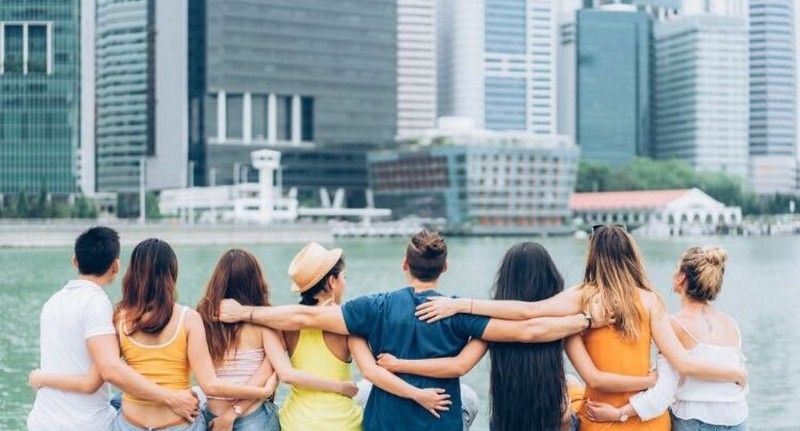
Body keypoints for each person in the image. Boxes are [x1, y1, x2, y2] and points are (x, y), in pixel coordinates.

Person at [218, 231, 596, 431]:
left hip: (384, 422)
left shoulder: (375, 308)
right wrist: (585, 321)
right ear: (444, 267)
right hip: (440, 421)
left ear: (404, 264)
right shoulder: (459, 313)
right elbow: (528, 330)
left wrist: (246, 312)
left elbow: (304, 318)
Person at [416, 225, 747, 431]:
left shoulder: (583, 296)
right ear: (631, 255)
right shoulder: (651, 300)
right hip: (650, 421)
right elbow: (680, 364)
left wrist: (463, 304)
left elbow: (528, 313)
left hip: (600, 419)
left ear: (595, 256)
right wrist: (733, 373)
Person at [373, 242, 595, 431]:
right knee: (573, 383)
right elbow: (590, 376)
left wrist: (398, 364)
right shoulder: (564, 320)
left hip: (506, 420)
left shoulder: (494, 326)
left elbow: (459, 365)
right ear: (551, 278)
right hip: (554, 419)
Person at [27, 227, 198, 431]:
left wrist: (41, 378)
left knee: (121, 400)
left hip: (42, 419)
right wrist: (172, 398)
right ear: (116, 266)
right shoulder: (96, 303)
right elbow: (103, 375)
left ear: (75, 261)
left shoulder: (52, 303)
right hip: (85, 423)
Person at [113, 238, 275, 430]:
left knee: (115, 401)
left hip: (130, 424)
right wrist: (261, 391)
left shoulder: (119, 318)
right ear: (171, 274)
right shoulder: (188, 318)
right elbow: (210, 386)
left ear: (132, 272)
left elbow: (111, 371)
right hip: (177, 424)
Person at [580, 246, 748, 431]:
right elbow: (740, 383)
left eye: (676, 269)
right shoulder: (731, 324)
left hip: (695, 419)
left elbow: (664, 392)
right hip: (737, 418)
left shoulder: (675, 325)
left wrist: (620, 413)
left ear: (681, 278)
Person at [271, 242, 363, 430]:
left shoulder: (285, 325)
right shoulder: (347, 321)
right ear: (331, 282)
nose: (344, 283)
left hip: (297, 423)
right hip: (344, 423)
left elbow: (283, 375)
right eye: (343, 277)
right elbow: (371, 370)